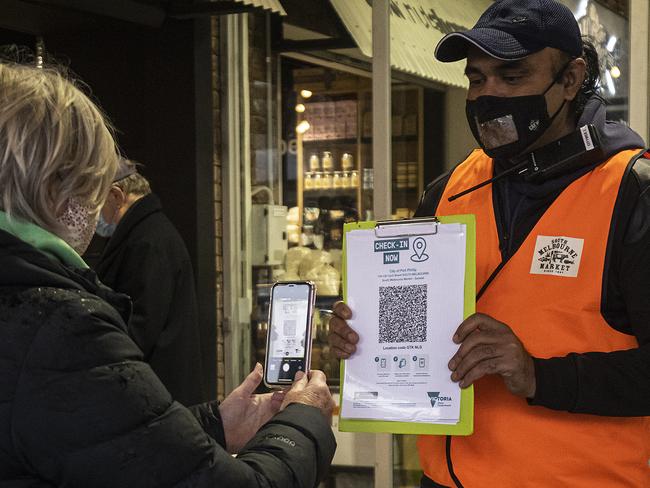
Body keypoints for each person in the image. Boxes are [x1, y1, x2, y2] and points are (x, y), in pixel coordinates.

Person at [329, 0, 650, 486]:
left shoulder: (632, 191)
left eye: (513, 76)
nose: (490, 95)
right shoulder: (448, 191)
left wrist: (539, 375)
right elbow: (414, 322)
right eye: (477, 79)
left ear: (570, 78)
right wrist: (364, 337)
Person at [0, 61, 335, 486]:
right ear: (53, 189)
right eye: (91, 185)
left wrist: (214, 426)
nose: (95, 206)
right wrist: (303, 423)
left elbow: (88, 439)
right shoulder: (58, 325)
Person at [94, 159, 205, 406]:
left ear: (115, 195)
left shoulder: (147, 242)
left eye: (96, 201)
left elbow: (139, 328)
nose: (93, 214)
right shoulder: (149, 232)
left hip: (156, 396)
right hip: (161, 393)